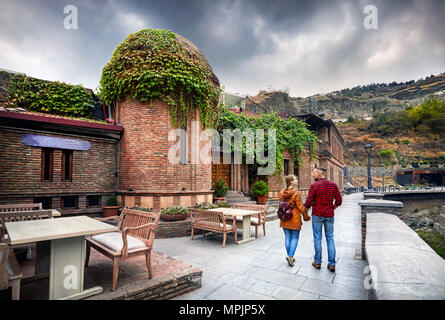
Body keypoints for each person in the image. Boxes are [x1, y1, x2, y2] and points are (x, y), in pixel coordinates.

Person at [304, 166, 342, 272]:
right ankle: (332, 264)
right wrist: (332, 208)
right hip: (329, 215)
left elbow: (308, 202)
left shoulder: (314, 186)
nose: (313, 175)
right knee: (330, 238)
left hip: (317, 214)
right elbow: (339, 201)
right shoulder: (333, 185)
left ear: (319, 174)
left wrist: (305, 213)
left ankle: (317, 262)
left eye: (314, 173)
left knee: (317, 238)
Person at [279, 174, 310, 267]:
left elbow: (281, 203)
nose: (297, 181)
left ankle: (290, 257)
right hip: (294, 217)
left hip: (284, 217)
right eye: (295, 179)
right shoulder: (296, 193)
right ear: (291, 182)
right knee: (295, 238)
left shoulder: (281, 192)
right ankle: (291, 256)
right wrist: (306, 216)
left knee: (287, 237)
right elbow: (300, 207)